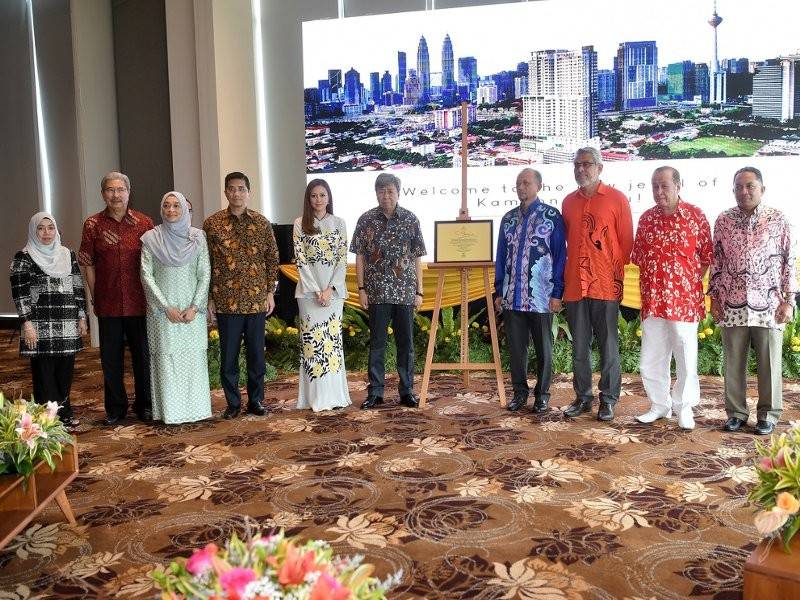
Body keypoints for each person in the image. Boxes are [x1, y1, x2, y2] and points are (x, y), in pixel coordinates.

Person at [709, 167, 796, 435]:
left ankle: (768, 415)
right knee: (733, 361)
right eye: (738, 187)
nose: (743, 191)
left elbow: (789, 261)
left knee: (769, 363)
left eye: (750, 186)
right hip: (732, 302)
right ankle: (736, 413)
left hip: (769, 304)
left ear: (762, 189)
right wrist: (715, 298)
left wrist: (789, 301)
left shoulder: (778, 220)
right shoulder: (723, 220)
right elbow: (717, 262)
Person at [631, 166, 712, 430]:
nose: (659, 191)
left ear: (679, 185)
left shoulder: (696, 217)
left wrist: (682, 283)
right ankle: (659, 405)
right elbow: (640, 258)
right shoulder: (645, 219)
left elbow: (704, 260)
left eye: (664, 185)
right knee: (651, 356)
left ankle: (684, 407)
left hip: (684, 302)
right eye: (655, 186)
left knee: (686, 355)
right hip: (653, 299)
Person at [561, 147, 633, 422]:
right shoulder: (568, 202)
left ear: (600, 168)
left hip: (605, 283)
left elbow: (626, 243)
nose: (581, 169)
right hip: (576, 285)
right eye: (577, 164)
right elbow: (569, 240)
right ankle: (582, 397)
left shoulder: (616, 199)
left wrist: (609, 270)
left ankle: (609, 399)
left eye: (587, 164)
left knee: (608, 345)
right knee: (579, 345)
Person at [79, 172, 154, 425]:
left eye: (121, 189)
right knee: (110, 358)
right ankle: (115, 407)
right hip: (108, 301)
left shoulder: (144, 223)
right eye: (110, 190)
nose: (116, 195)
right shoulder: (93, 224)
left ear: (128, 192)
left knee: (143, 356)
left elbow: (154, 262)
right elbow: (87, 263)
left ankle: (145, 404)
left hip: (140, 301)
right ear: (103, 194)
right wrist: (94, 295)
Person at [204, 171, 279, 419]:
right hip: (226, 301)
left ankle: (256, 401)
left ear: (249, 192)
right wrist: (210, 298)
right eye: (232, 189)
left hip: (257, 299)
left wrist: (270, 292)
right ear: (226, 192)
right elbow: (207, 263)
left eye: (242, 189)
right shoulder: (212, 224)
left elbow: (272, 259)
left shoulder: (261, 223)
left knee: (257, 355)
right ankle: (233, 403)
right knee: (229, 357)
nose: (237, 193)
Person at [351, 173, 426, 409]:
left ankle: (407, 391)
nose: (386, 195)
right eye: (381, 191)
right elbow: (360, 257)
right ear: (376, 194)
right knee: (377, 343)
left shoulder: (411, 219)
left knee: (406, 344)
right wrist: (361, 288)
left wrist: (419, 291)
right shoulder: (365, 220)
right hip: (376, 292)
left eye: (390, 191)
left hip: (404, 292)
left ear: (398, 193)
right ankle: (375, 392)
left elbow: (417, 258)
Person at [494, 168, 566, 414]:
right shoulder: (508, 219)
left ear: (539, 186)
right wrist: (498, 290)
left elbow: (560, 257)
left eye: (526, 182)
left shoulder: (552, 216)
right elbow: (501, 257)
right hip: (512, 296)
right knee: (516, 349)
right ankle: (519, 393)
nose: (521, 187)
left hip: (541, 297)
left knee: (544, 348)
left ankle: (543, 394)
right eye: (518, 183)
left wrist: (558, 291)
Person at [140, 192, 212, 424]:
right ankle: (171, 412)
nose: (171, 210)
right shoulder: (151, 238)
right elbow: (146, 276)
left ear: (184, 209)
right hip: (163, 315)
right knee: (167, 360)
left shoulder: (198, 237)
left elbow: (205, 274)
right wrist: (165, 307)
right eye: (167, 206)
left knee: (193, 359)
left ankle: (196, 409)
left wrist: (195, 307)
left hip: (192, 313)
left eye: (176, 206)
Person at [10, 213, 87, 429]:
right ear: (33, 231)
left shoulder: (67, 254)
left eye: (50, 228)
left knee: (65, 371)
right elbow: (20, 293)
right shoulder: (23, 257)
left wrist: (82, 316)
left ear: (56, 230)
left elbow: (78, 286)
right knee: (44, 374)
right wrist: (27, 323)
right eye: (41, 228)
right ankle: (49, 418)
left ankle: (64, 412)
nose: (46, 233)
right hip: (39, 325)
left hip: (67, 322)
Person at [293, 179, 351, 411]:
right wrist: (317, 290)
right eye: (314, 196)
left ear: (329, 198)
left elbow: (341, 260)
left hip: (334, 295)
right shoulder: (300, 223)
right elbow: (301, 260)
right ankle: (313, 398)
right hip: (308, 295)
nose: (318, 200)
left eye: (322, 195)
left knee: (331, 345)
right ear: (308, 199)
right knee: (312, 346)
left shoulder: (339, 223)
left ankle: (335, 396)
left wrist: (329, 290)